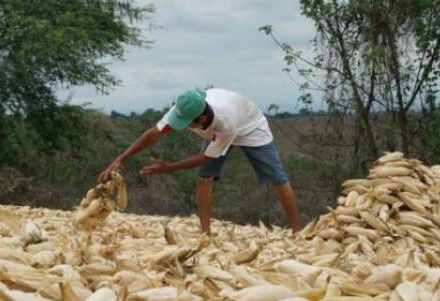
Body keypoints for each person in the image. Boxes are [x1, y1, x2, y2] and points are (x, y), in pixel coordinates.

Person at [99, 88, 301, 234]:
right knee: (205, 177)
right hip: (215, 133)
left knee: (277, 178)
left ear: (202, 120)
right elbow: (155, 133)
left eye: (188, 124)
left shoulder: (226, 121)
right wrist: (120, 158)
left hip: (250, 127)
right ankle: (206, 233)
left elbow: (206, 157)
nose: (184, 126)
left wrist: (169, 168)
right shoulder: (186, 106)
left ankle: (297, 230)